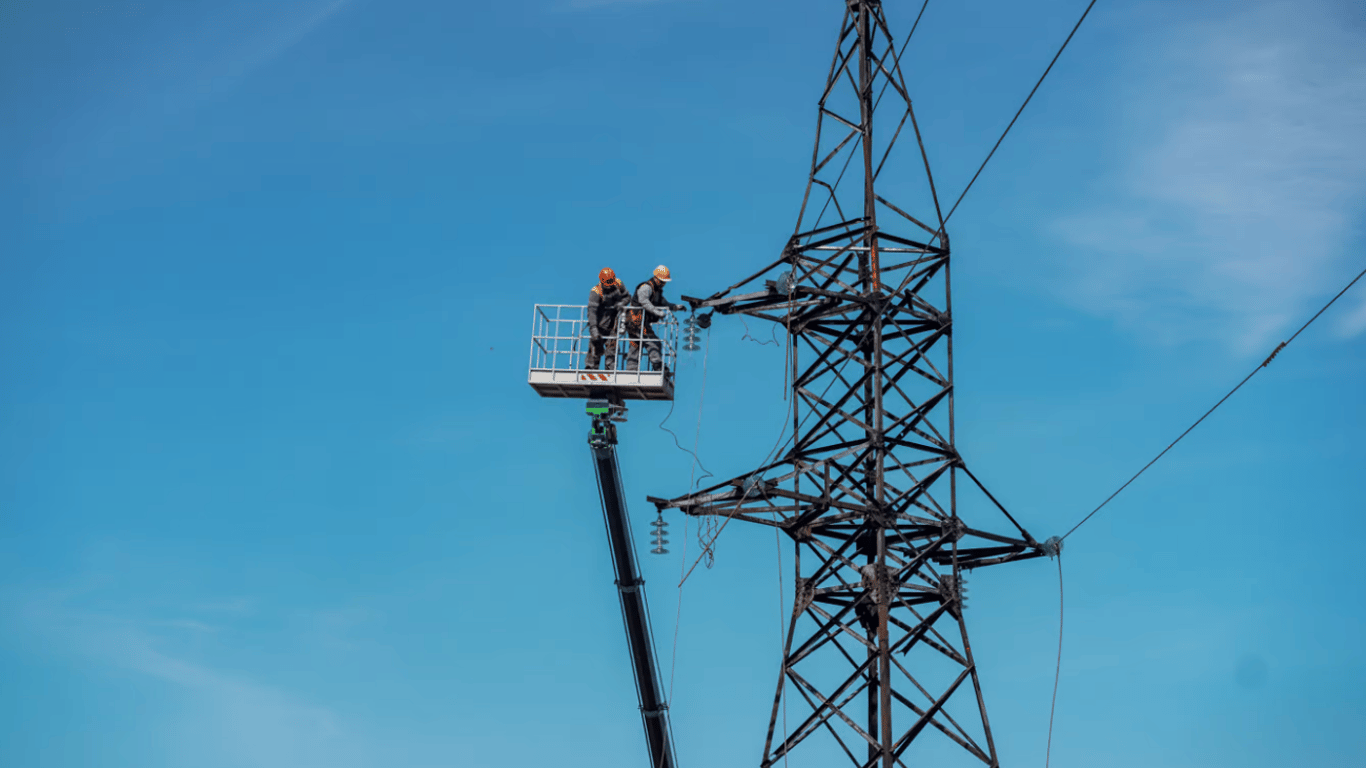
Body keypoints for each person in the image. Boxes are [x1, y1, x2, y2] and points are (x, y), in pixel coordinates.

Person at [625, 265, 685, 372]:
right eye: (662, 281)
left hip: (639, 322)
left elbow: (664, 303)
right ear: (656, 278)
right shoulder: (646, 287)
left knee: (636, 344)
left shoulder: (656, 291)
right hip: (636, 320)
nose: (664, 284)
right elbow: (644, 301)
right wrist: (657, 311)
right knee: (653, 341)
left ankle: (631, 370)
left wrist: (676, 307)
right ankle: (657, 366)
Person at [586, 267, 629, 370]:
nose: (609, 286)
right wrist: (594, 330)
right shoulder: (596, 292)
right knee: (595, 349)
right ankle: (590, 371)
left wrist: (621, 304)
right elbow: (592, 312)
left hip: (613, 326)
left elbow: (627, 297)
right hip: (599, 326)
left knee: (612, 350)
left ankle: (609, 371)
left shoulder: (618, 284)